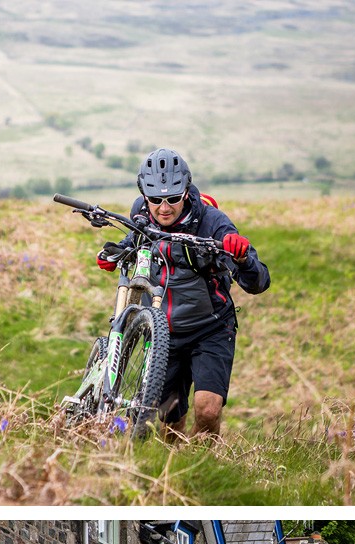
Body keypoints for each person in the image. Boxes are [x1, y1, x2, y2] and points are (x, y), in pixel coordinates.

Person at [96, 148, 271, 438]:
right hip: (163, 335)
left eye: (173, 199)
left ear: (186, 191)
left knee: (208, 409)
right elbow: (131, 242)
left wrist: (242, 258)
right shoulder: (141, 217)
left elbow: (258, 282)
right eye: (155, 200)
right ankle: (178, 472)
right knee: (170, 422)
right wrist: (114, 255)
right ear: (144, 195)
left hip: (211, 327)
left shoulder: (212, 222)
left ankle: (204, 467)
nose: (164, 208)